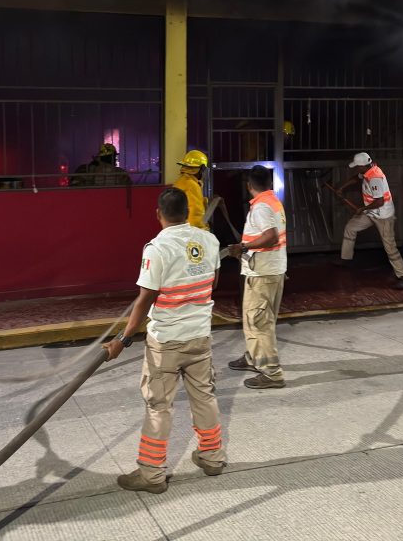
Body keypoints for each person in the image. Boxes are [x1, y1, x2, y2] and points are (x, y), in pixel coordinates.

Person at [103, 187, 225, 494]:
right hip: (200, 335)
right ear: (187, 212)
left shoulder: (157, 248)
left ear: (158, 214)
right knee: (205, 397)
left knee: (159, 407)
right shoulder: (209, 240)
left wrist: (122, 339)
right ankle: (212, 457)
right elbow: (213, 281)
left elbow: (145, 298)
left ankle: (152, 474)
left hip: (167, 341)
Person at [225, 165, 287, 389]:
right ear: (269, 183)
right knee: (260, 319)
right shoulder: (273, 201)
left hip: (262, 273)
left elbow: (270, 237)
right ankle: (253, 357)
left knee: (258, 322)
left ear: (249, 185)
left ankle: (271, 373)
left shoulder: (261, 207)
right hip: (272, 269)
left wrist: (243, 247)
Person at [337, 152, 403, 289]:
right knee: (350, 227)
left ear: (362, 166)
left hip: (383, 216)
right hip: (371, 212)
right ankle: (346, 259)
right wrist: (342, 188)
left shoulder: (375, 178)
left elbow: (379, 201)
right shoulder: (367, 170)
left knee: (390, 247)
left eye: (357, 166)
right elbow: (356, 178)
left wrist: (362, 209)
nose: (356, 169)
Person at [173, 149, 210, 229]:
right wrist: (203, 231)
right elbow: (195, 215)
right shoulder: (192, 185)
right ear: (202, 168)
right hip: (190, 231)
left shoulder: (180, 182)